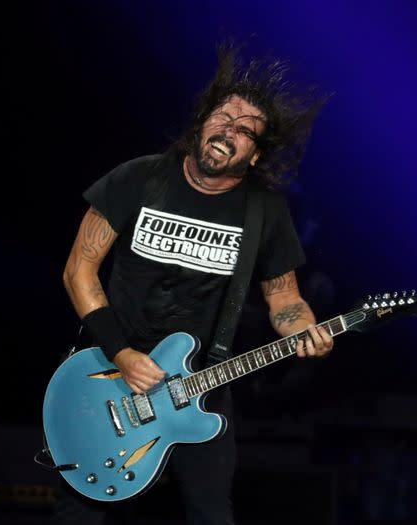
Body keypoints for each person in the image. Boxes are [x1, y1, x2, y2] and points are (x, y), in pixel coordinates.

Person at [50, 43, 332, 525]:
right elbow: (79, 269)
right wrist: (122, 353)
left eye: (245, 130)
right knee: (80, 510)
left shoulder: (263, 211)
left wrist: (304, 327)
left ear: (254, 153)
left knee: (211, 512)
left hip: (203, 382)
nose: (230, 129)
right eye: (223, 117)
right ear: (202, 123)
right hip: (109, 372)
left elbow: (283, 296)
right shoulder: (138, 178)